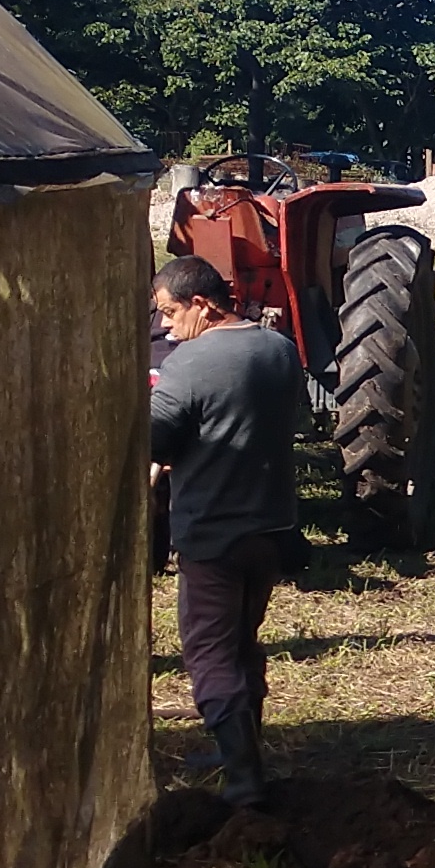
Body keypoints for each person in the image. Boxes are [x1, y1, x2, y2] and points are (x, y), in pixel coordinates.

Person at [146, 253, 303, 807]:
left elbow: (157, 438)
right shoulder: (280, 350)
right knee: (242, 643)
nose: (165, 327)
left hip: (212, 530)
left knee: (208, 652)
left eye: (169, 313)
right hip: (271, 526)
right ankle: (244, 751)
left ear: (203, 305)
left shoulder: (190, 363)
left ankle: (242, 777)